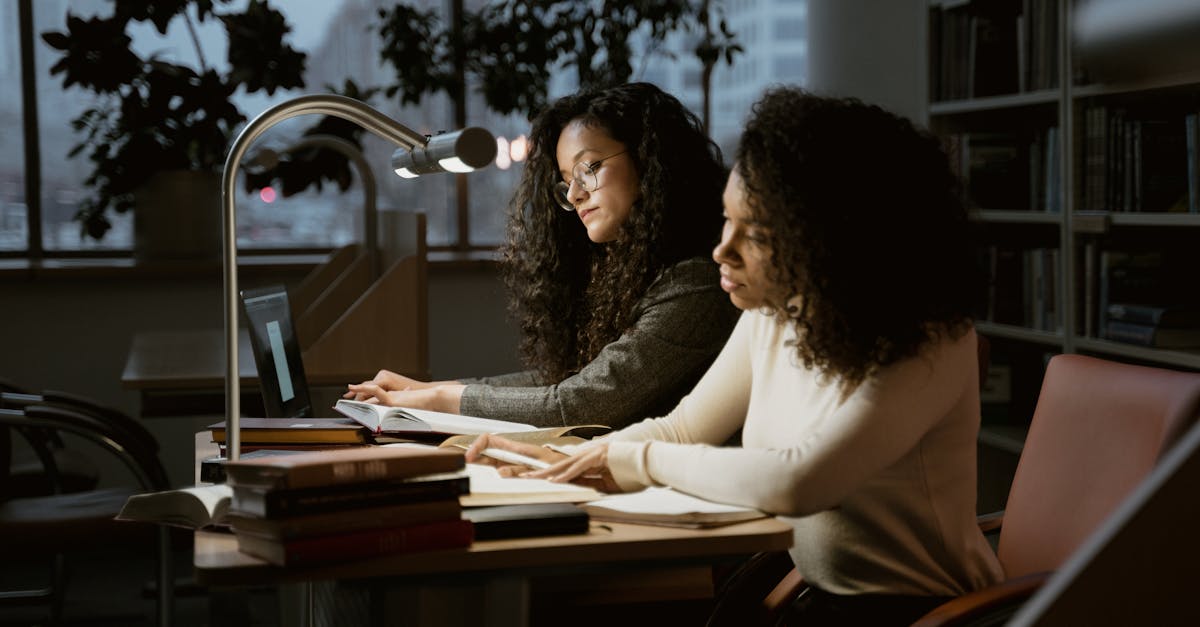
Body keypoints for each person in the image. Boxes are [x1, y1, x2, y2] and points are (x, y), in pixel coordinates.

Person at [467, 87, 1005, 624]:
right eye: (728, 220)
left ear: (832, 236)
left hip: (925, 612)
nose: (723, 248)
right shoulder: (773, 316)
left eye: (758, 231)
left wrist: (622, 460)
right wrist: (560, 463)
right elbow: (680, 430)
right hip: (817, 597)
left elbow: (799, 482)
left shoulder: (930, 339)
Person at [346, 82, 738, 428]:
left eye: (589, 168)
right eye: (567, 181)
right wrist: (432, 389)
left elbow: (580, 403)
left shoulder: (696, 283)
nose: (574, 194)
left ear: (650, 161)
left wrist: (439, 400)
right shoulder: (629, 270)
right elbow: (562, 379)